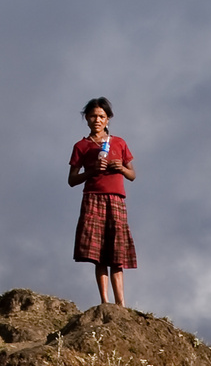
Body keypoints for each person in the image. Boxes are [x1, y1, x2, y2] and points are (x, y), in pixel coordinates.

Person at [68, 96, 137, 305]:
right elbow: (72, 180)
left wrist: (121, 168)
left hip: (116, 200)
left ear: (108, 119)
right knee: (98, 255)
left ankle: (120, 304)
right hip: (93, 199)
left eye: (101, 116)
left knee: (117, 254)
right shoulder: (81, 146)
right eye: (93, 116)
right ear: (86, 119)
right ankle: (105, 302)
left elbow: (132, 175)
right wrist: (91, 171)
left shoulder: (119, 143)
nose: (97, 120)